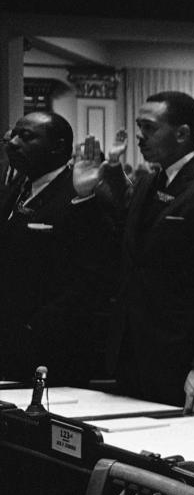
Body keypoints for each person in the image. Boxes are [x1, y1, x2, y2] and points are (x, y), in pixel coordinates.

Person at [74, 91, 194, 413]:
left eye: (149, 128)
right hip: (131, 351)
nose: (139, 137)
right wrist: (87, 196)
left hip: (177, 358)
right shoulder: (147, 183)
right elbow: (121, 250)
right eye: (139, 127)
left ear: (182, 134)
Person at [0, 112, 117, 385]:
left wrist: (35, 326)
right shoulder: (16, 188)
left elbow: (93, 276)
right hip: (10, 341)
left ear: (57, 146)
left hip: (54, 348)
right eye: (13, 135)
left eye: (26, 136)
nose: (13, 142)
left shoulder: (82, 194)